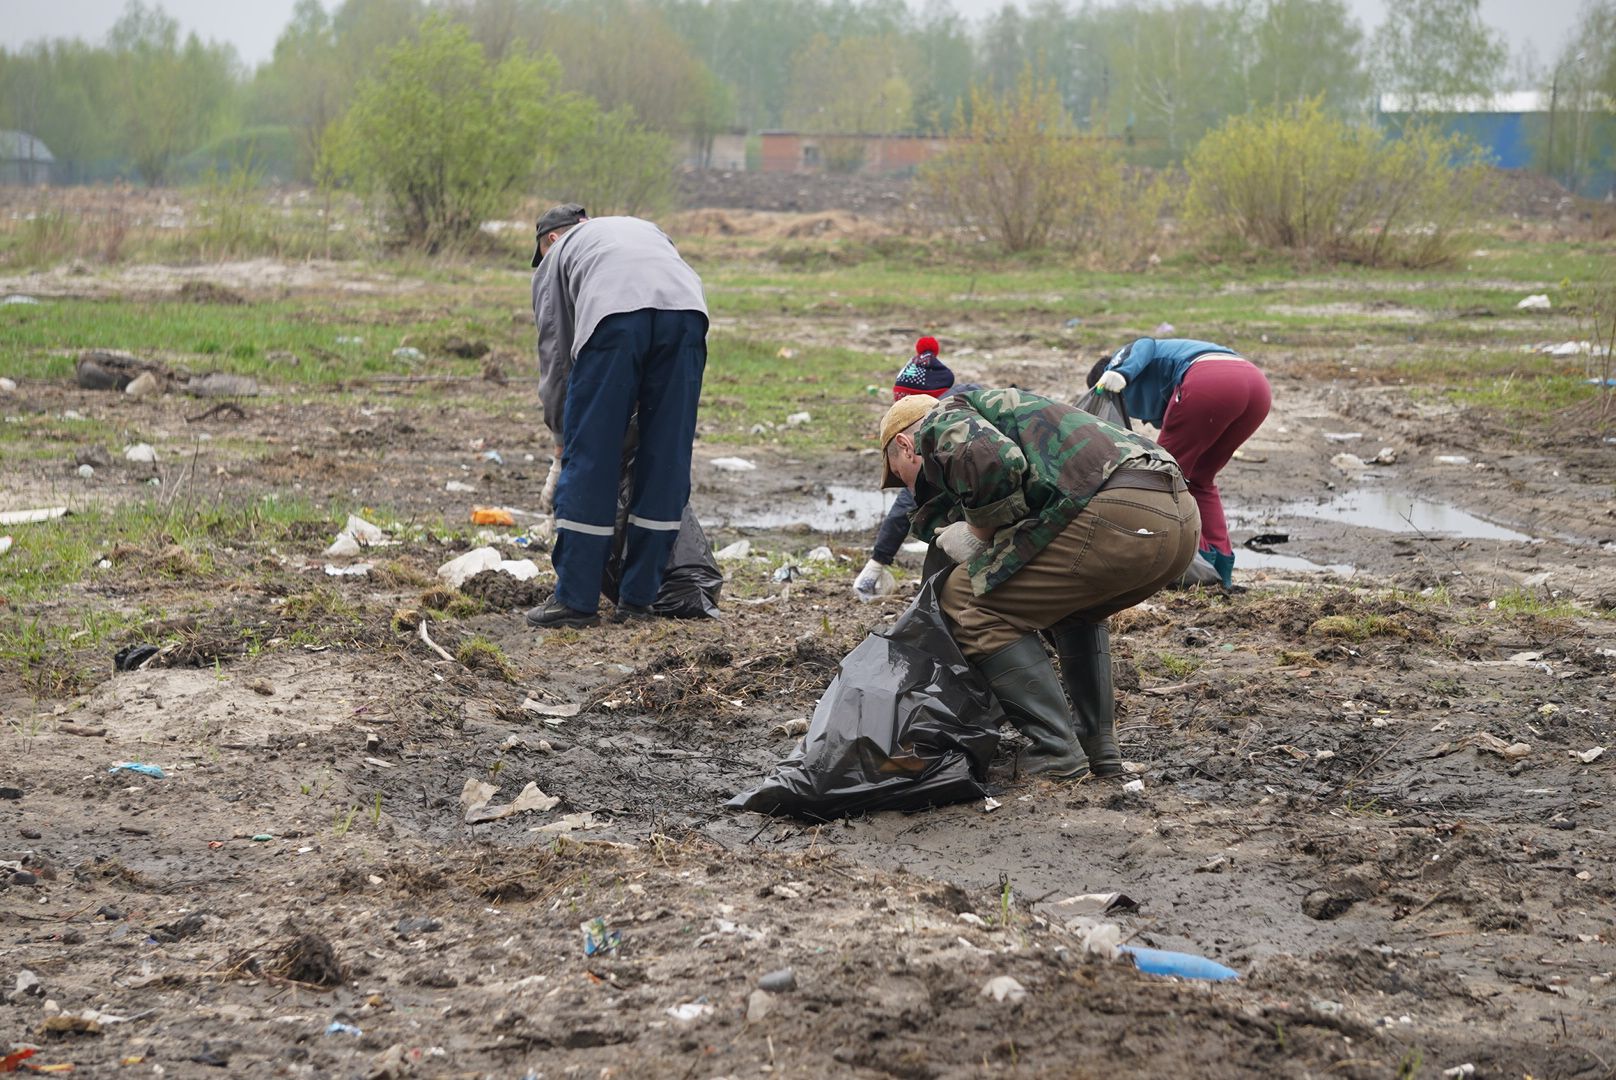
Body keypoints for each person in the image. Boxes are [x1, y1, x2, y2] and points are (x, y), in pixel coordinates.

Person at [879, 389, 1199, 779]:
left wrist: (978, 533)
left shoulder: (942, 419)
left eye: (901, 476)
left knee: (966, 600)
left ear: (906, 446)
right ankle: (1098, 747)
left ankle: (1056, 751)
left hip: (1117, 516)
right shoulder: (1004, 414)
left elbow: (991, 461)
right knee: (1069, 611)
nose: (911, 491)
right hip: (1178, 518)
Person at [525, 204, 709, 628]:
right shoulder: (645, 228)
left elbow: (556, 357)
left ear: (551, 238)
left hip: (614, 318)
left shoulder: (558, 255)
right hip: (688, 315)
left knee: (591, 457)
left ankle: (575, 600)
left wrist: (560, 441)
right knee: (666, 457)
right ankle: (640, 598)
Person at [1089, 337, 1271, 588]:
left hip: (1210, 381)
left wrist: (1118, 372)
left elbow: (1144, 343)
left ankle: (1199, 568)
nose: (1134, 417)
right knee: (1200, 480)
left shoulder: (1125, 363)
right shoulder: (1169, 369)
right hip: (1256, 386)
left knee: (1163, 477)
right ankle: (1221, 573)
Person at [852, 337, 979, 600]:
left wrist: (877, 562)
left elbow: (907, 501)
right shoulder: (957, 413)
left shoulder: (951, 428)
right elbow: (910, 496)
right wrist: (879, 559)